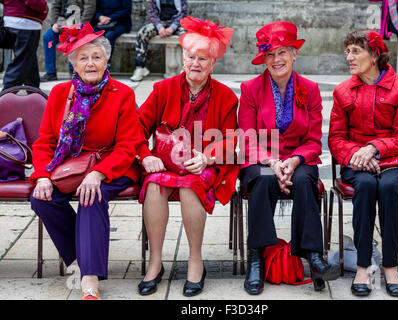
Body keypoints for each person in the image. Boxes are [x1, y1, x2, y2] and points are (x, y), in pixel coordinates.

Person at [29, 23, 142, 300]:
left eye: (96, 57)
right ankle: (79, 259)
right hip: (70, 165)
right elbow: (44, 142)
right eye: (83, 58)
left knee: (91, 195)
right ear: (74, 64)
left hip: (114, 165)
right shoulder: (59, 94)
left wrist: (99, 173)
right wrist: (43, 175)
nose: (90, 63)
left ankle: (89, 276)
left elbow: (129, 146)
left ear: (106, 61)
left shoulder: (122, 93)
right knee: (41, 198)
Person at [136, 16, 238, 297]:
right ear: (183, 59)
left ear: (213, 63)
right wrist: (145, 156)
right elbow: (136, 128)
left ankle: (195, 260)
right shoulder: (162, 90)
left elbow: (230, 141)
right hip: (165, 162)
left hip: (202, 165)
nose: (196, 64)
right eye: (191, 57)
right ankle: (155, 262)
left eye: (203, 59)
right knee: (155, 184)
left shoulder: (227, 97)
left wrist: (207, 158)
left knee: (192, 184)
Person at [238, 21, 340, 295]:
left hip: (298, 161)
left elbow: (313, 141)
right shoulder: (250, 89)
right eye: (270, 54)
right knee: (262, 180)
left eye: (282, 52)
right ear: (264, 60)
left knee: (306, 180)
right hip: (262, 160)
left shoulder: (310, 89)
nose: (276, 59)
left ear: (294, 54)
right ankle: (256, 258)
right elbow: (247, 137)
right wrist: (272, 162)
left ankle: (314, 257)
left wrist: (293, 161)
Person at [328, 30, 398, 297]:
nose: (349, 57)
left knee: (389, 188)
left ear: (375, 54)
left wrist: (374, 149)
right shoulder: (343, 91)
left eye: (356, 51)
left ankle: (391, 266)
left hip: (397, 161)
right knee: (366, 186)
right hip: (356, 162)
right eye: (347, 52)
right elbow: (336, 138)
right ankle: (363, 266)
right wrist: (359, 154)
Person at [130, 0, 188, 82]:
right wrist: (159, 27)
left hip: (177, 23)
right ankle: (140, 67)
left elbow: (183, 12)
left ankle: (187, 68)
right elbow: (152, 12)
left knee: (187, 36)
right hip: (160, 23)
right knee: (142, 33)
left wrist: (173, 27)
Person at [40, 0, 96, 82]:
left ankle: (73, 70)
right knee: (48, 37)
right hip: (63, 23)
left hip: (80, 23)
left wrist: (81, 24)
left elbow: (90, 7)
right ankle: (50, 72)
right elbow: (55, 6)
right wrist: (54, 23)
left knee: (74, 38)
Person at [0, 0, 48, 91]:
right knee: (22, 61)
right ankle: (6, 95)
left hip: (12, 19)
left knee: (29, 61)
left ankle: (34, 93)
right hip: (25, 22)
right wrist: (44, 7)